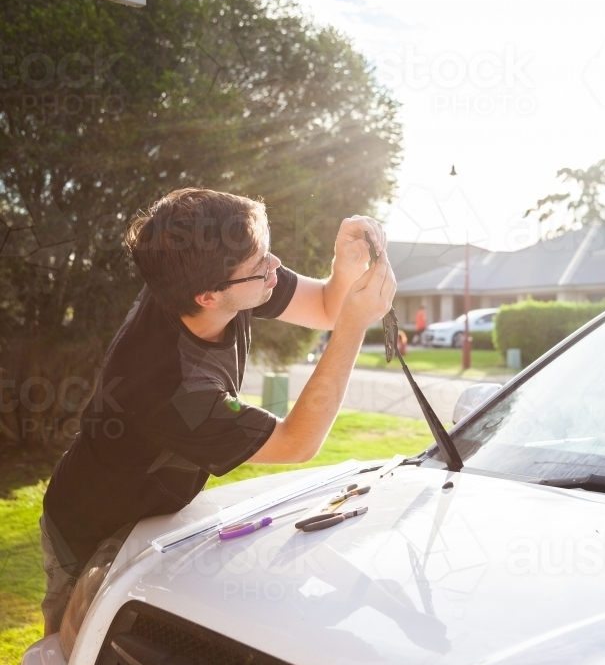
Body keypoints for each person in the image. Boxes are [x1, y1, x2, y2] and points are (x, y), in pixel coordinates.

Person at [40, 188, 396, 635]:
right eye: (260, 265)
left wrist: (344, 267)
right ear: (209, 296)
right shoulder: (167, 385)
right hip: (89, 531)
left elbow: (326, 306)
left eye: (266, 253)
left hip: (157, 518)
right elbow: (297, 442)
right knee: (77, 658)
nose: (276, 268)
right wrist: (353, 328)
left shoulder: (219, 279)